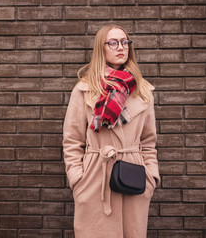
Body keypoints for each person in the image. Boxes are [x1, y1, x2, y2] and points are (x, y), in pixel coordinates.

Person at [62, 24, 160, 238]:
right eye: (113, 42)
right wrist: (77, 178)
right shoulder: (84, 90)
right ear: (101, 48)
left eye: (125, 42)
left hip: (133, 177)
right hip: (95, 177)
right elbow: (72, 141)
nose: (121, 47)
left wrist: (151, 178)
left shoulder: (143, 91)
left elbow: (149, 142)